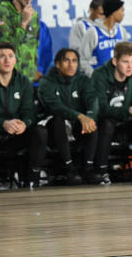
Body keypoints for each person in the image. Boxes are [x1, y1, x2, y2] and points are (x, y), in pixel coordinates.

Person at [0, 43, 48, 189]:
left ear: (15, 61)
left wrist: (25, 123)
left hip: (17, 131)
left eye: (10, 56)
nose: (7, 60)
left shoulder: (23, 81)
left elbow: (29, 111)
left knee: (40, 131)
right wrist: (3, 123)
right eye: (2, 56)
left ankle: (32, 179)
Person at [92, 41, 132, 183]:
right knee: (107, 123)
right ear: (115, 61)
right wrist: (129, 110)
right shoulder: (99, 75)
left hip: (127, 123)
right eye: (125, 62)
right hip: (106, 123)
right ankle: (101, 171)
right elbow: (100, 108)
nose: (130, 66)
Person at [37, 49, 99, 185]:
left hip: (77, 126)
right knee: (58, 118)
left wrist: (88, 116)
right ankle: (69, 168)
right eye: (66, 61)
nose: (71, 65)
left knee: (92, 122)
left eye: (74, 61)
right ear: (58, 64)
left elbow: (93, 101)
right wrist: (79, 116)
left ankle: (88, 168)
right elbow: (55, 107)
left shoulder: (83, 80)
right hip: (53, 130)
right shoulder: (46, 82)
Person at [79, 0, 131, 76]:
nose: (123, 14)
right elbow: (83, 60)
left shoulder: (121, 31)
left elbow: (127, 56)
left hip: (117, 80)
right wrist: (95, 77)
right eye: (122, 10)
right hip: (99, 82)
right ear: (114, 12)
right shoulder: (93, 32)